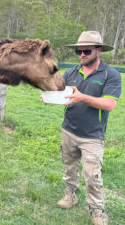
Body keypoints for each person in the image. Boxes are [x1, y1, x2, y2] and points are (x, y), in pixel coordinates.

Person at [58, 31, 122, 225]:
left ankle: (97, 210)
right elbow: (59, 89)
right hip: (68, 129)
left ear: (98, 50)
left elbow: (109, 104)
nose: (81, 55)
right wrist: (50, 96)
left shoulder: (111, 75)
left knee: (92, 175)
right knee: (69, 167)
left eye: (86, 51)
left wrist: (82, 97)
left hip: (92, 136)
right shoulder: (70, 72)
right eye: (79, 51)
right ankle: (70, 195)